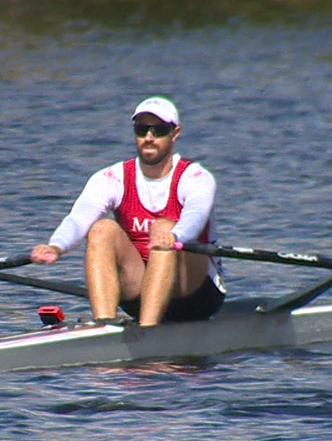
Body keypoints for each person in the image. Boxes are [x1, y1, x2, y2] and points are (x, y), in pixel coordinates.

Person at [31, 96, 225, 327]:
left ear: (175, 134)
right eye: (142, 129)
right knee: (101, 229)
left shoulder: (195, 177)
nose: (149, 137)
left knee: (164, 227)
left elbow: (196, 214)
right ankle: (104, 326)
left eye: (159, 130)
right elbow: (78, 218)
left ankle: (147, 332)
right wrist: (56, 245)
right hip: (139, 292)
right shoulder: (112, 178)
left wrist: (176, 236)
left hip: (195, 295)